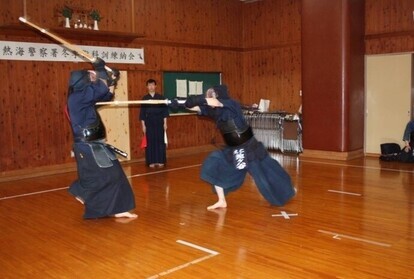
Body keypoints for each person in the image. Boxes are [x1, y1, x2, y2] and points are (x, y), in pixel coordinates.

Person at [182, 85, 296, 210]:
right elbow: (195, 107)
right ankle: (221, 201)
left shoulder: (232, 105)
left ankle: (287, 191)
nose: (209, 100)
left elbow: (215, 102)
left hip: (249, 148)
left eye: (211, 97)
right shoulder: (214, 111)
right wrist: (179, 103)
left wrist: (199, 99)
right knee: (215, 164)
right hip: (233, 150)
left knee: (266, 174)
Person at [66, 58, 137, 219]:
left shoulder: (84, 98)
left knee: (114, 174)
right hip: (87, 146)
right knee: (107, 176)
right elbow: (100, 88)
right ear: (83, 81)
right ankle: (82, 192)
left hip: (94, 145)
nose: (94, 77)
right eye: (91, 76)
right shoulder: (77, 98)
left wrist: (112, 80)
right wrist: (99, 67)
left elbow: (106, 95)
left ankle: (115, 208)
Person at [140, 79, 169, 168]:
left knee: (160, 142)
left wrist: (165, 123)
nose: (151, 87)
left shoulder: (161, 98)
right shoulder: (144, 99)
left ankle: (160, 161)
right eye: (149, 85)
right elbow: (142, 114)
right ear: (147, 87)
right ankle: (151, 162)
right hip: (149, 122)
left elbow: (165, 112)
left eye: (153, 85)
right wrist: (143, 125)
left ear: (155, 86)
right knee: (150, 142)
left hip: (159, 121)